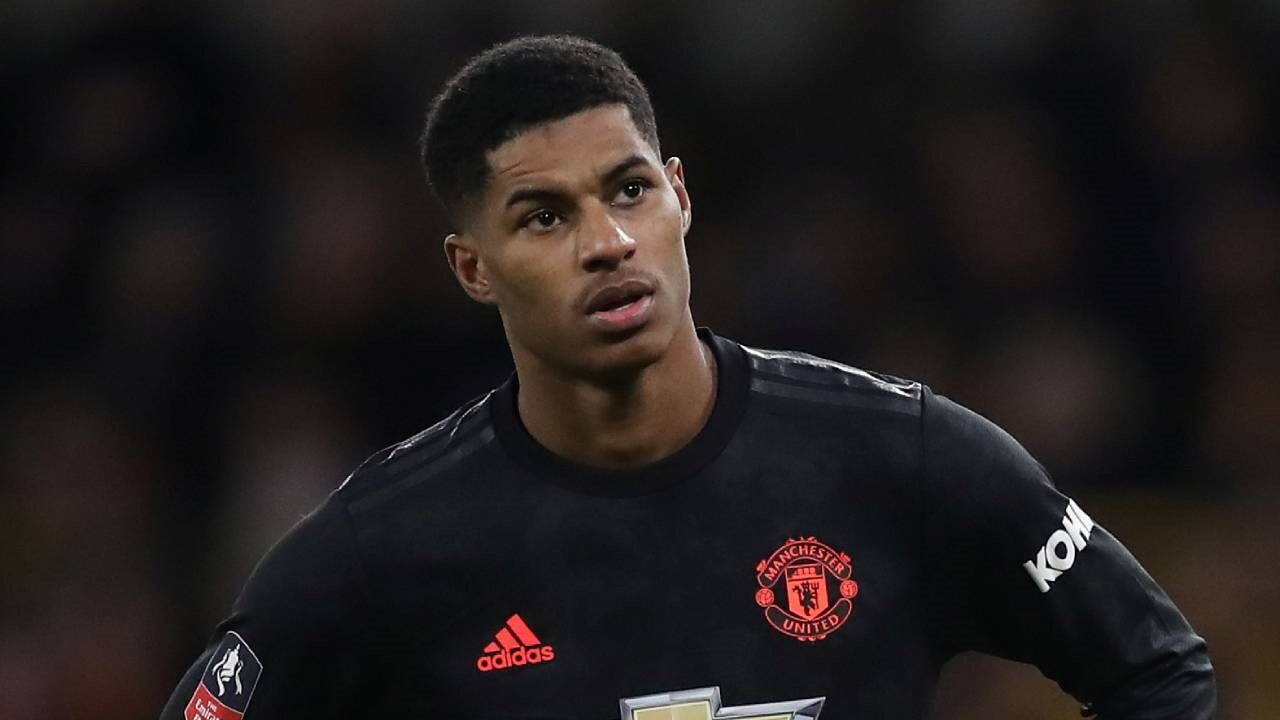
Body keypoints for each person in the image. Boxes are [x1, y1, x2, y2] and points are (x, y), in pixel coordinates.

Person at [160, 35, 1215, 720]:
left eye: (628, 191)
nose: (607, 243)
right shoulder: (384, 541)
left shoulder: (899, 454)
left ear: (679, 195)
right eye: (545, 216)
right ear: (471, 268)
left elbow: (1159, 671)